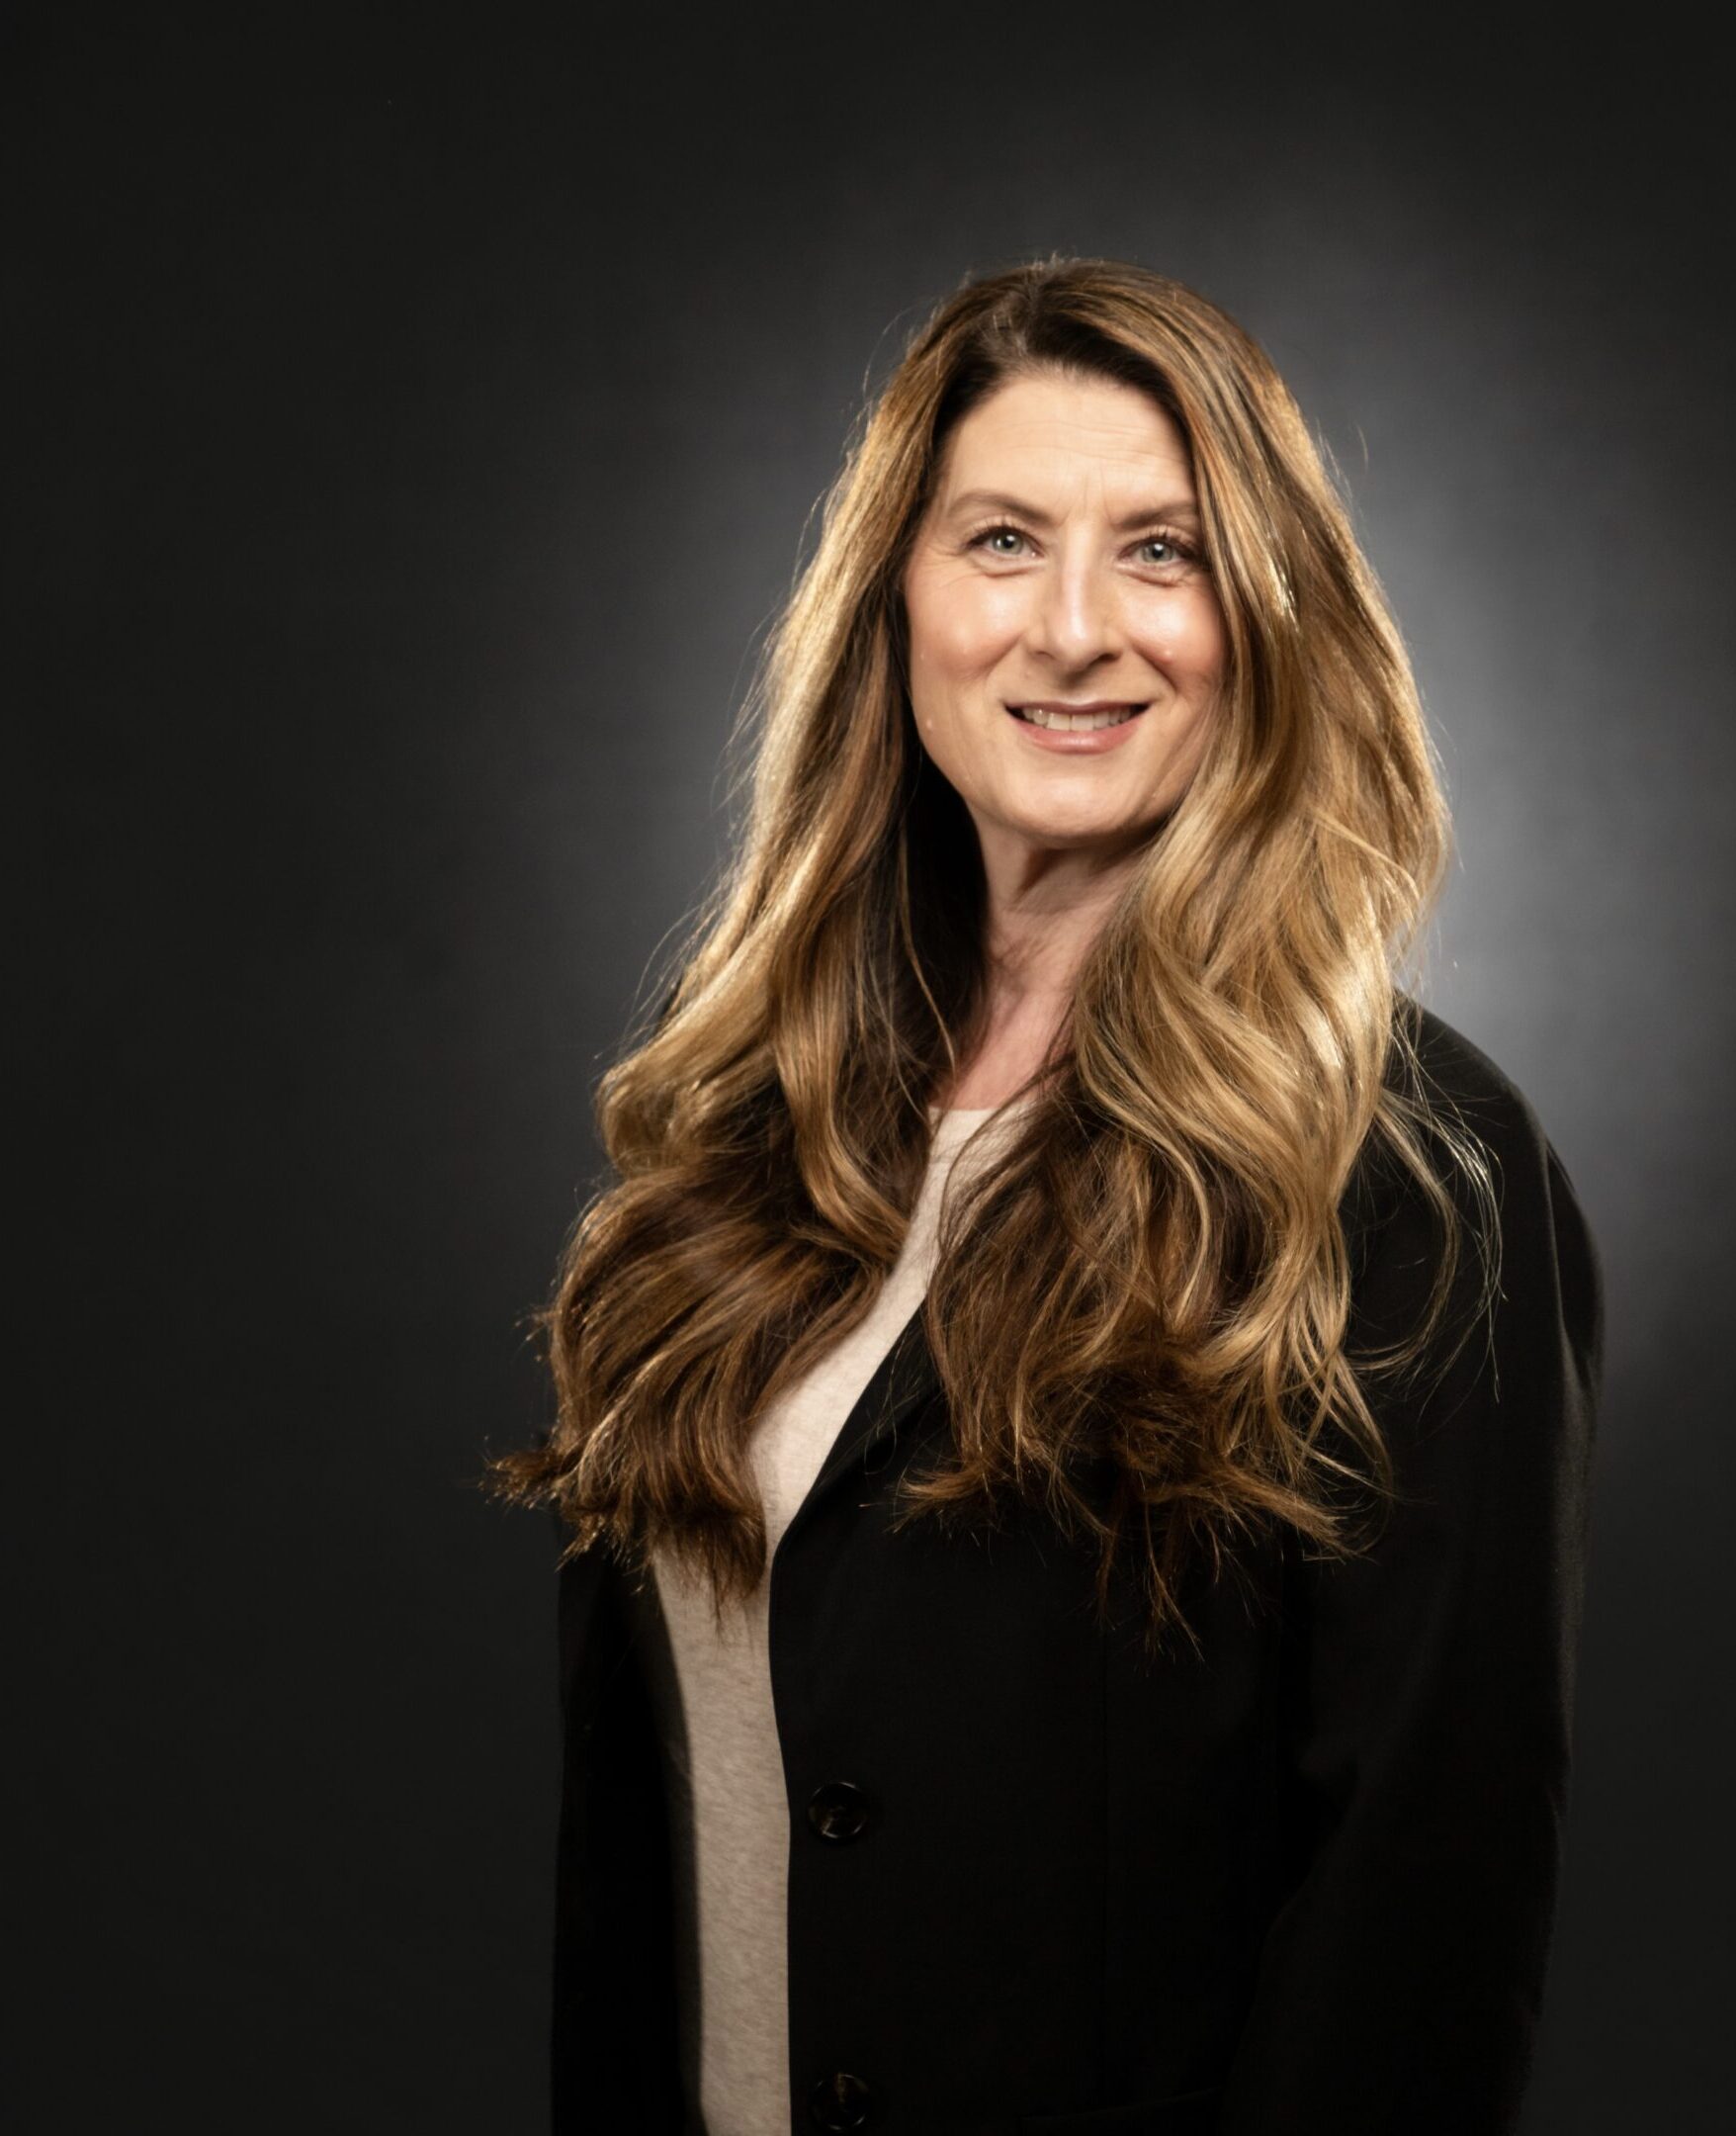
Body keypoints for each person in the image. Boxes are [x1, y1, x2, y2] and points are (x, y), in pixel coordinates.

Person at [491, 256, 1606, 2136]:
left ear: (1264, 619)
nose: (1075, 629)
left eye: (1163, 552)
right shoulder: (744, 1136)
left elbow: (1417, 1939)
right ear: (897, 601)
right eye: (1002, 540)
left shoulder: (1420, 1173)